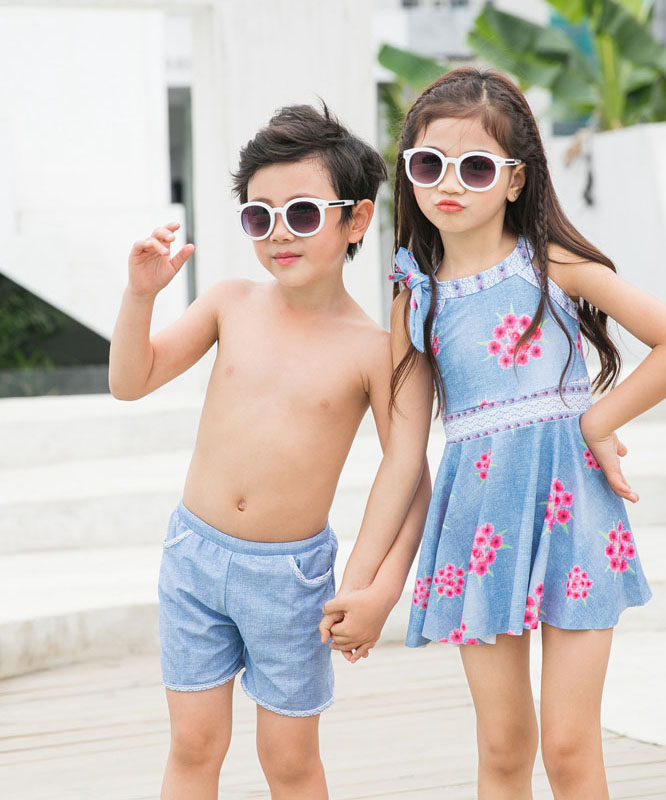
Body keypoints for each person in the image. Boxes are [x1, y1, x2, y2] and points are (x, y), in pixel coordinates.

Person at [373, 67, 666, 799]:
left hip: (572, 515)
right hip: (477, 526)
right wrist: (366, 582)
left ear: (515, 179)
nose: (449, 184)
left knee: (567, 744)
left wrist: (595, 419)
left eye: (476, 167)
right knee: (501, 747)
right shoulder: (415, 301)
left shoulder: (551, 265)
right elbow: (402, 455)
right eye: (428, 164)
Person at [108, 103, 430, 800]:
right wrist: (140, 297)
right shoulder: (230, 302)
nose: (280, 232)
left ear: (356, 220)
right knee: (193, 744)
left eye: (303, 214)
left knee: (288, 760)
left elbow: (409, 473)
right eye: (260, 216)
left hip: (290, 578)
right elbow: (130, 381)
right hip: (193, 556)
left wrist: (375, 588)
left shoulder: (375, 350)